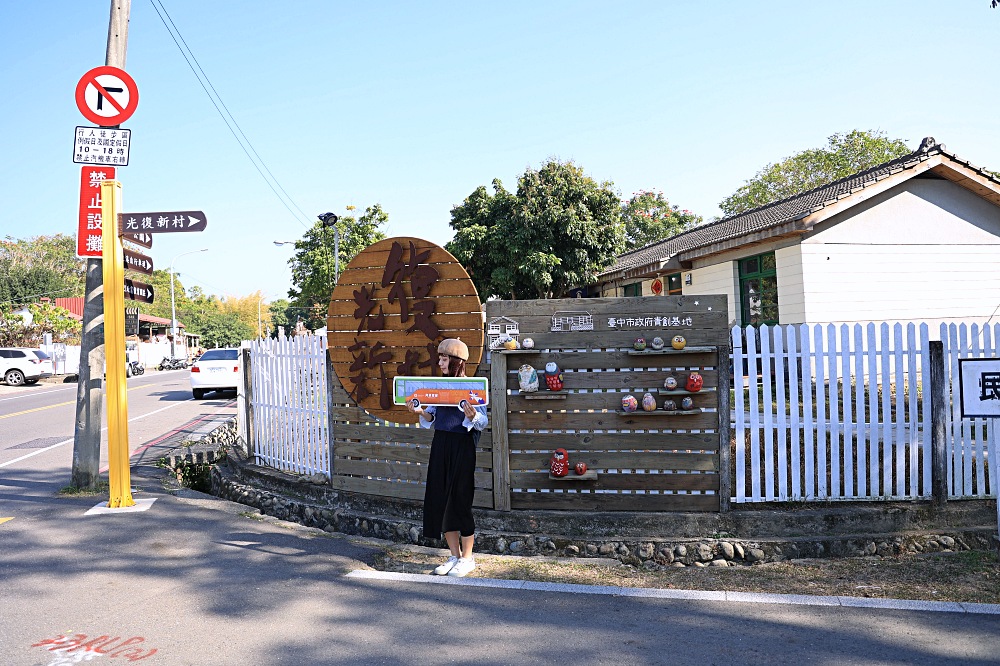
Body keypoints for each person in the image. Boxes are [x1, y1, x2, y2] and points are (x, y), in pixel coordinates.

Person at [407, 338, 488, 577]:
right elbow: (432, 417)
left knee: (461, 499)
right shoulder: (438, 387)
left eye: (444, 359)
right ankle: (453, 556)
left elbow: (482, 422)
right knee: (440, 497)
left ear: (456, 362)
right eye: (440, 358)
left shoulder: (472, 388)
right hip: (440, 443)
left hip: (462, 445)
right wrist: (420, 411)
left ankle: (468, 558)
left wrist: (472, 415)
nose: (440, 363)